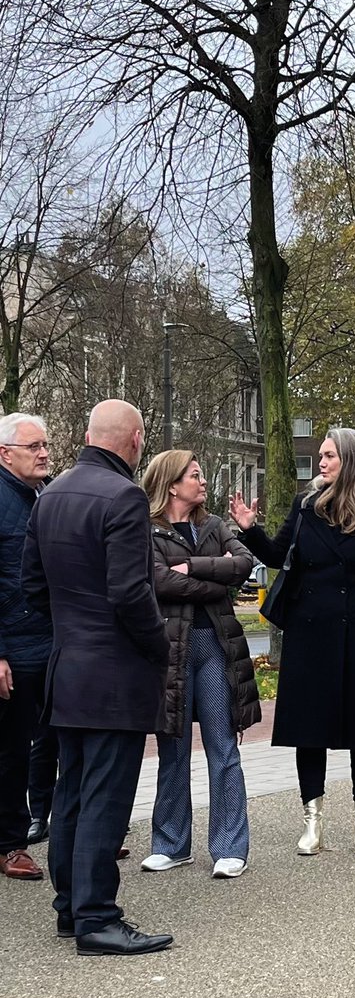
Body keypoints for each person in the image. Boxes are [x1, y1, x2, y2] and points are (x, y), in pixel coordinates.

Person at [22, 400, 172, 956]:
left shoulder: (50, 494)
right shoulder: (125, 497)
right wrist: (158, 646)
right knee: (105, 797)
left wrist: (71, 630)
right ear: (134, 440)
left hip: (67, 667)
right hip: (114, 672)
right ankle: (97, 917)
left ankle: (71, 907)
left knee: (72, 792)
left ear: (88, 436)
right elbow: (130, 591)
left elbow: (32, 585)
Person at [230, 427, 355, 856]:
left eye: (330, 455)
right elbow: (277, 555)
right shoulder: (306, 505)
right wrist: (250, 529)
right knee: (309, 725)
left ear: (350, 460)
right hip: (309, 630)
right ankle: (312, 818)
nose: (321, 462)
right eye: (321, 456)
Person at [140, 451, 261, 879]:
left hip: (215, 647)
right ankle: (171, 845)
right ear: (172, 484)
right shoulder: (148, 530)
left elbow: (243, 564)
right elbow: (158, 581)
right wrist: (215, 585)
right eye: (195, 475)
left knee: (222, 747)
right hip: (172, 650)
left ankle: (230, 848)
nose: (203, 481)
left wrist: (191, 566)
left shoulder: (214, 526)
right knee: (172, 748)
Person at [0, 413, 53, 881]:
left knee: (59, 737)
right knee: (11, 750)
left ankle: (66, 825)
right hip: (14, 648)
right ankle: (10, 844)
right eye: (33, 446)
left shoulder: (45, 495)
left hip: (52, 640)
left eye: (45, 445)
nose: (44, 453)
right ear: (5, 454)